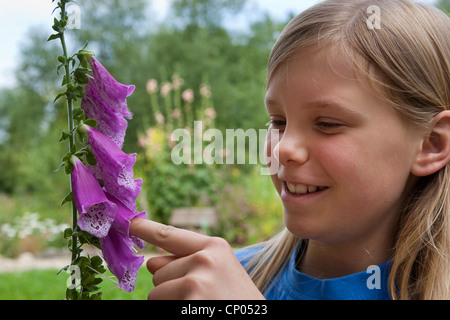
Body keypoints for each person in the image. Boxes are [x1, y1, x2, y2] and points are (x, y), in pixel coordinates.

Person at [130, 0, 450, 300]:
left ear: (431, 145)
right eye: (278, 121)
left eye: (327, 123)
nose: (283, 149)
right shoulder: (220, 283)